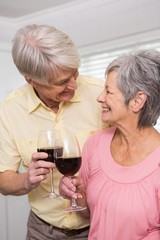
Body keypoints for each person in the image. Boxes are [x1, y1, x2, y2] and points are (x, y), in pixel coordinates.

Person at [0, 24, 105, 240]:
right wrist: (26, 181)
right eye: (62, 82)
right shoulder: (10, 110)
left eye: (75, 73)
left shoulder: (100, 93)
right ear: (30, 80)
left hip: (99, 224)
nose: (74, 85)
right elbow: (3, 179)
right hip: (43, 231)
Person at [59, 49, 160, 239]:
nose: (99, 97)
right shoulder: (96, 144)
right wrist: (78, 195)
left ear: (138, 101)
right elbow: (90, 216)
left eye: (109, 91)